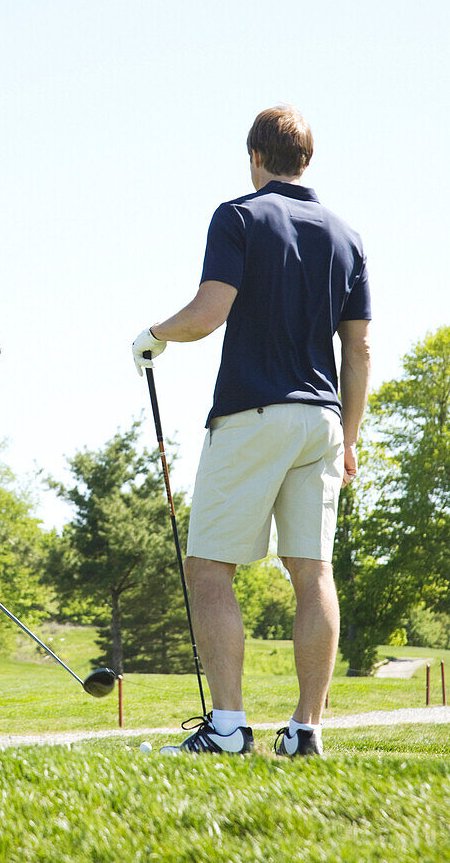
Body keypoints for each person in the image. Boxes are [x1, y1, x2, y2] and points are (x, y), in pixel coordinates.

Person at [132, 105, 371, 758]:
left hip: (251, 414)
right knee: (310, 571)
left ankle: (230, 728)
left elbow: (209, 313)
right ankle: (303, 730)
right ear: (306, 160)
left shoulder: (237, 215)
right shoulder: (347, 236)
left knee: (208, 567)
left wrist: (153, 336)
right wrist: (347, 439)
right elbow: (358, 352)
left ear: (254, 157)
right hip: (321, 420)